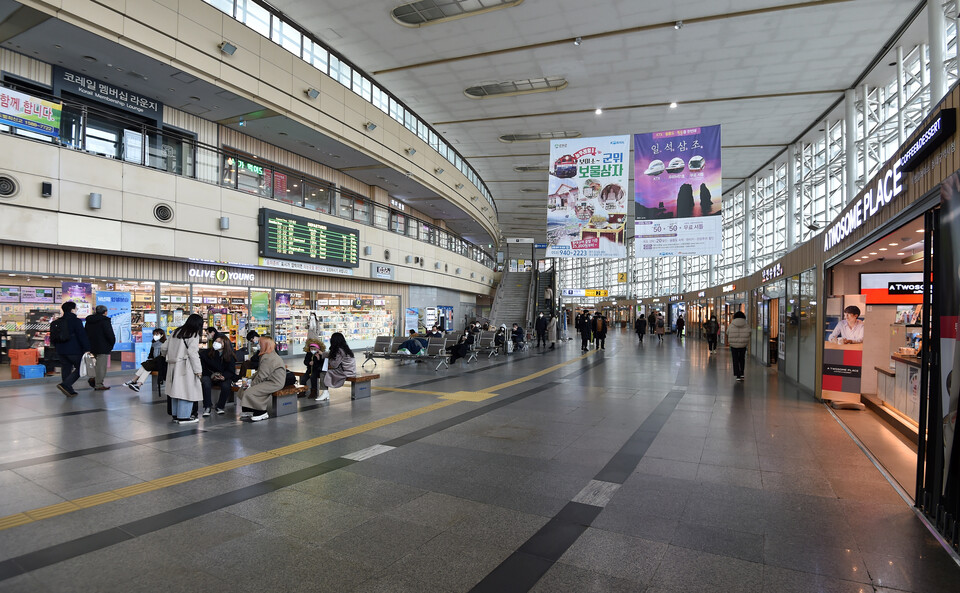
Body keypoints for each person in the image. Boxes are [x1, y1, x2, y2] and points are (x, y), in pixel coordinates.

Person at [165, 313, 204, 424]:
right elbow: (193, 353)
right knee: (187, 391)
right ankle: (184, 416)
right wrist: (198, 370)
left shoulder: (176, 331)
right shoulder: (193, 334)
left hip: (172, 365)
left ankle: (176, 415)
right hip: (185, 366)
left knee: (175, 391)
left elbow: (164, 347)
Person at [239, 336, 287, 421]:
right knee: (244, 387)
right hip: (268, 379)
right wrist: (249, 380)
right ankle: (249, 409)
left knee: (251, 391)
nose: (258, 345)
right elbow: (260, 372)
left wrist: (251, 384)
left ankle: (261, 412)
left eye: (260, 343)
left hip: (274, 382)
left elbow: (262, 375)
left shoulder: (269, 357)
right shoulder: (265, 354)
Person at [52, 301, 91, 397]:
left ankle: (69, 390)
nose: (76, 310)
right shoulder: (76, 321)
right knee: (81, 368)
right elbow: (82, 336)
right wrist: (87, 348)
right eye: (76, 308)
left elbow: (53, 338)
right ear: (72, 309)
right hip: (74, 350)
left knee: (66, 369)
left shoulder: (55, 322)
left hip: (61, 350)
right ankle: (65, 385)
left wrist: (57, 348)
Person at [201, 333, 238, 416]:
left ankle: (220, 406)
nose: (216, 343)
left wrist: (223, 376)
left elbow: (231, 370)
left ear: (225, 344)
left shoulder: (229, 355)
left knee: (226, 385)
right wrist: (212, 375)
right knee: (205, 382)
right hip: (209, 375)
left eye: (220, 342)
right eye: (216, 341)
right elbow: (203, 368)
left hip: (223, 376)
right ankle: (207, 406)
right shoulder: (206, 353)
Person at [123, 328, 167, 393]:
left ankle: (134, 380)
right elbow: (150, 355)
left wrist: (152, 360)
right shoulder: (154, 344)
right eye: (154, 334)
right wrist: (151, 359)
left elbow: (163, 356)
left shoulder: (165, 344)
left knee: (147, 366)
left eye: (156, 334)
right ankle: (138, 385)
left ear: (162, 335)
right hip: (154, 363)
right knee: (147, 367)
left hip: (161, 364)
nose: (155, 336)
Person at [84, 305, 116, 391]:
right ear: (105, 312)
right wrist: (111, 343)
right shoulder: (105, 320)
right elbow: (109, 334)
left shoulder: (89, 320)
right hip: (103, 346)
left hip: (92, 345)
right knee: (101, 366)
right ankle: (98, 384)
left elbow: (86, 332)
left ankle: (94, 379)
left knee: (95, 365)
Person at [322, 332, 356, 397]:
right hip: (351, 371)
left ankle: (325, 393)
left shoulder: (339, 351)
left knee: (325, 373)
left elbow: (334, 365)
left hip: (345, 372)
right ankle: (325, 393)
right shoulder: (345, 349)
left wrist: (329, 359)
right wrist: (324, 354)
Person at [727, 311, 751, 381]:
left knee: (735, 360)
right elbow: (749, 332)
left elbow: (727, 332)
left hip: (734, 345)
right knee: (742, 359)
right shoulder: (746, 325)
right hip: (743, 345)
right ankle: (742, 373)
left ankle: (737, 375)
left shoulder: (731, 325)